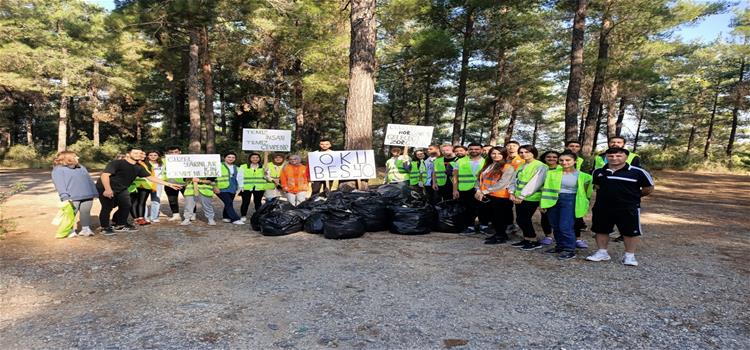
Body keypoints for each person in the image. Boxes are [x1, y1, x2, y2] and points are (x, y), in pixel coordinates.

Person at [586, 147, 654, 266]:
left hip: (628, 207)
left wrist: (632, 197)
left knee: (630, 232)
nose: (614, 158)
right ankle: (602, 252)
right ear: (606, 157)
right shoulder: (598, 172)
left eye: (618, 156)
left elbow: (648, 189)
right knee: (601, 229)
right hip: (603, 207)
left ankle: (629, 256)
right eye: (611, 156)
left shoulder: (638, 172)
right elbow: (597, 186)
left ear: (626, 157)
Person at [97, 147, 182, 235]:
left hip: (122, 188)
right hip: (105, 186)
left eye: (140, 153)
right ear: (128, 154)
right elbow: (105, 175)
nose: (138, 155)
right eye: (135, 153)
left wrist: (169, 184)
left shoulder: (138, 167)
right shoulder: (117, 163)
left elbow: (150, 177)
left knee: (126, 205)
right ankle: (105, 227)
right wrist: (107, 189)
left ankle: (120, 225)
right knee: (107, 207)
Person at [539, 151, 593, 260]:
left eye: (568, 160)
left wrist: (583, 204)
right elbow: (545, 189)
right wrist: (543, 203)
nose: (564, 162)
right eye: (561, 160)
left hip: (570, 200)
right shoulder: (552, 173)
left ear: (575, 161)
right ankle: (560, 246)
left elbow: (586, 193)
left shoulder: (584, 176)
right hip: (553, 200)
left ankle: (569, 249)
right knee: (555, 225)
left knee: (565, 226)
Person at [508, 145, 547, 251]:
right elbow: (514, 180)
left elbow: (535, 183)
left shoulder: (541, 166)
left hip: (530, 197)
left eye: (527, 152)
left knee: (524, 219)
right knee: (520, 219)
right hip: (518, 197)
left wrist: (522, 196)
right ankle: (526, 239)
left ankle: (533, 241)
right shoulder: (521, 165)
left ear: (533, 153)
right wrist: (511, 192)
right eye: (521, 152)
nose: (523, 154)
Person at [51, 151, 98, 238]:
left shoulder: (81, 167)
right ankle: (69, 230)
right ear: (68, 158)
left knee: (86, 212)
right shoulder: (58, 169)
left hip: (88, 195)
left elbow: (89, 180)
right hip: (72, 197)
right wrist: (64, 196)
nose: (78, 158)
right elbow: (59, 184)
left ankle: (85, 229)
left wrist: (94, 192)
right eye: (75, 156)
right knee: (70, 214)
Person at [475, 147, 516, 244]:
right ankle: (498, 233)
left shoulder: (507, 167)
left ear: (504, 155)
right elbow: (479, 178)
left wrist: (484, 191)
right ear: (490, 154)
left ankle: (501, 236)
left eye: (499, 154)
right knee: (493, 217)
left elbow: (503, 183)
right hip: (489, 195)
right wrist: (478, 190)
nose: (496, 155)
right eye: (494, 153)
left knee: (500, 218)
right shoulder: (488, 165)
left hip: (501, 197)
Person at [452, 143, 486, 234]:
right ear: (468, 150)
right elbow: (455, 177)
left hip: (481, 189)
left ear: (481, 150)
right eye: (471, 149)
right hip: (465, 189)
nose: (474, 151)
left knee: (482, 208)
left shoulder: (486, 161)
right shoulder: (460, 161)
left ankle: (483, 226)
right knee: (468, 208)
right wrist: (455, 190)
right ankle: (470, 227)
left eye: (476, 149)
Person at [565, 140, 589, 246]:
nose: (574, 148)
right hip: (563, 190)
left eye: (576, 146)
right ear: (566, 147)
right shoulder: (561, 158)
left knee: (577, 216)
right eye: (571, 146)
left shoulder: (582, 160)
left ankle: (578, 239)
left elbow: (587, 177)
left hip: (578, 191)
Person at [538, 150, 560, 246]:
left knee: (560, 218)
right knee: (545, 217)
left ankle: (560, 237)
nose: (551, 159)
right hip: (545, 197)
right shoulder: (541, 169)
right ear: (544, 158)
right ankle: (548, 236)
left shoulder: (562, 169)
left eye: (554, 157)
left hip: (560, 197)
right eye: (549, 157)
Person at [215, 152, 243, 225]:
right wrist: (214, 186)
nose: (231, 159)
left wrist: (239, 188)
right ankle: (235, 219)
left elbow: (239, 178)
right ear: (225, 158)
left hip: (232, 188)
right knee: (228, 202)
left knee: (228, 202)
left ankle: (226, 217)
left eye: (233, 157)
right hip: (221, 188)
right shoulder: (218, 166)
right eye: (229, 157)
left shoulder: (237, 168)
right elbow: (212, 177)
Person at [238, 153, 268, 220]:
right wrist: (241, 186)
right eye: (253, 157)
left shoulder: (263, 167)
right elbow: (239, 177)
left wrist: (266, 172)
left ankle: (258, 215)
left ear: (259, 159)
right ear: (250, 158)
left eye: (257, 157)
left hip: (259, 187)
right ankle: (243, 215)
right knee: (245, 202)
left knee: (258, 202)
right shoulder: (244, 166)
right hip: (246, 187)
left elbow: (266, 177)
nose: (255, 159)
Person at [129, 150, 153, 226]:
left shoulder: (148, 164)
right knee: (133, 203)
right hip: (134, 186)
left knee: (142, 202)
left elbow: (151, 175)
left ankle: (141, 218)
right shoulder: (133, 163)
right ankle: (135, 219)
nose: (142, 155)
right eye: (141, 154)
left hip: (146, 186)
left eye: (144, 154)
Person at [163, 146, 186, 221]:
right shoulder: (164, 161)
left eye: (176, 152)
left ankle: (192, 214)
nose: (174, 154)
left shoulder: (187, 160)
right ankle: (176, 215)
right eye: (171, 152)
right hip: (170, 184)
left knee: (189, 200)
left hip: (185, 184)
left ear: (180, 152)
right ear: (168, 153)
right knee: (172, 200)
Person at [145, 151, 164, 223]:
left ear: (158, 156)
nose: (153, 156)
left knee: (156, 200)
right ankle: (144, 216)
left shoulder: (162, 163)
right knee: (143, 201)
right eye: (151, 155)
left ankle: (154, 217)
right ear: (147, 156)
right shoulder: (144, 163)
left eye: (155, 155)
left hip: (157, 183)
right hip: (146, 183)